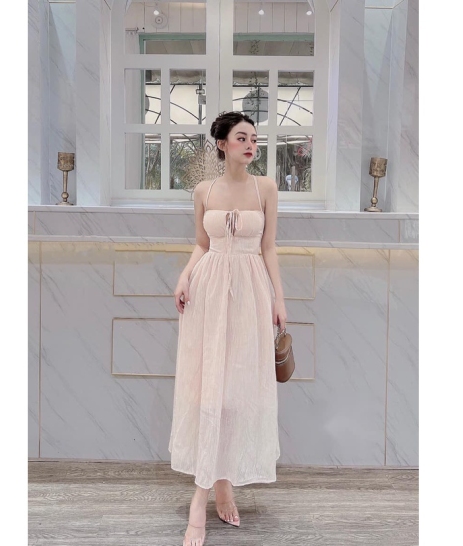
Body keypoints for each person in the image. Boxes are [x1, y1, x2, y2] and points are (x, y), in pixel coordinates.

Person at [169, 111, 287, 546]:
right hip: (208, 291)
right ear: (222, 144)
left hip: (251, 292)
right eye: (242, 138)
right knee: (208, 387)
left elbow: (269, 247)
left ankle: (222, 483)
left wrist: (279, 298)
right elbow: (202, 244)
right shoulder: (204, 191)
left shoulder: (266, 188)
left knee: (238, 388)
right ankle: (204, 493)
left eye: (254, 138)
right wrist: (184, 277)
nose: (251, 144)